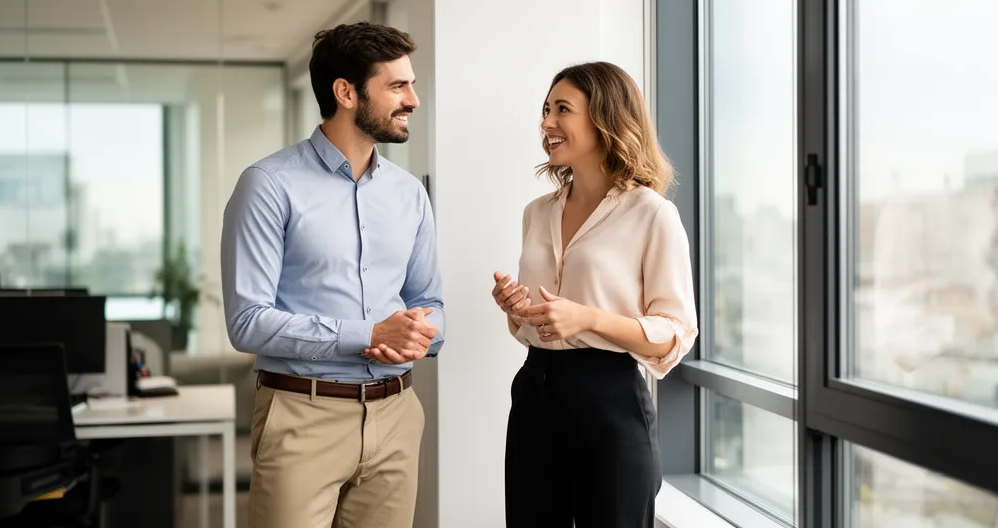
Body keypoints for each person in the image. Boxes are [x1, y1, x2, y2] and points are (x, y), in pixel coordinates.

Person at [221, 22, 444, 528]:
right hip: (302, 415)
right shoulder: (268, 185)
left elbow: (431, 300)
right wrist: (369, 334)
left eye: (411, 84)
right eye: (397, 86)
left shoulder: (409, 194)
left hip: (396, 416)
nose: (413, 98)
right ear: (346, 92)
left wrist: (416, 337)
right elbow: (247, 322)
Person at [492, 61, 698, 527]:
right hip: (534, 394)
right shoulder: (536, 213)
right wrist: (517, 311)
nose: (546, 123)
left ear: (605, 117)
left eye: (562, 109)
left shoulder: (652, 215)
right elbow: (534, 326)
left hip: (610, 403)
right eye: (545, 110)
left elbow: (675, 334)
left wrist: (588, 319)